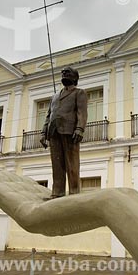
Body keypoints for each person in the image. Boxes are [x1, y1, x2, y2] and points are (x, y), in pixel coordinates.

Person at [40, 67, 87, 200]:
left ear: (75, 77)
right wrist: (44, 133)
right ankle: (57, 192)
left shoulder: (79, 93)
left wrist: (80, 128)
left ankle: (74, 193)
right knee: (57, 164)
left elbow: (82, 112)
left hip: (69, 131)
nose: (64, 74)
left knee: (72, 163)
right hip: (53, 131)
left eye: (68, 72)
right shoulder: (54, 96)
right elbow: (49, 115)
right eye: (63, 72)